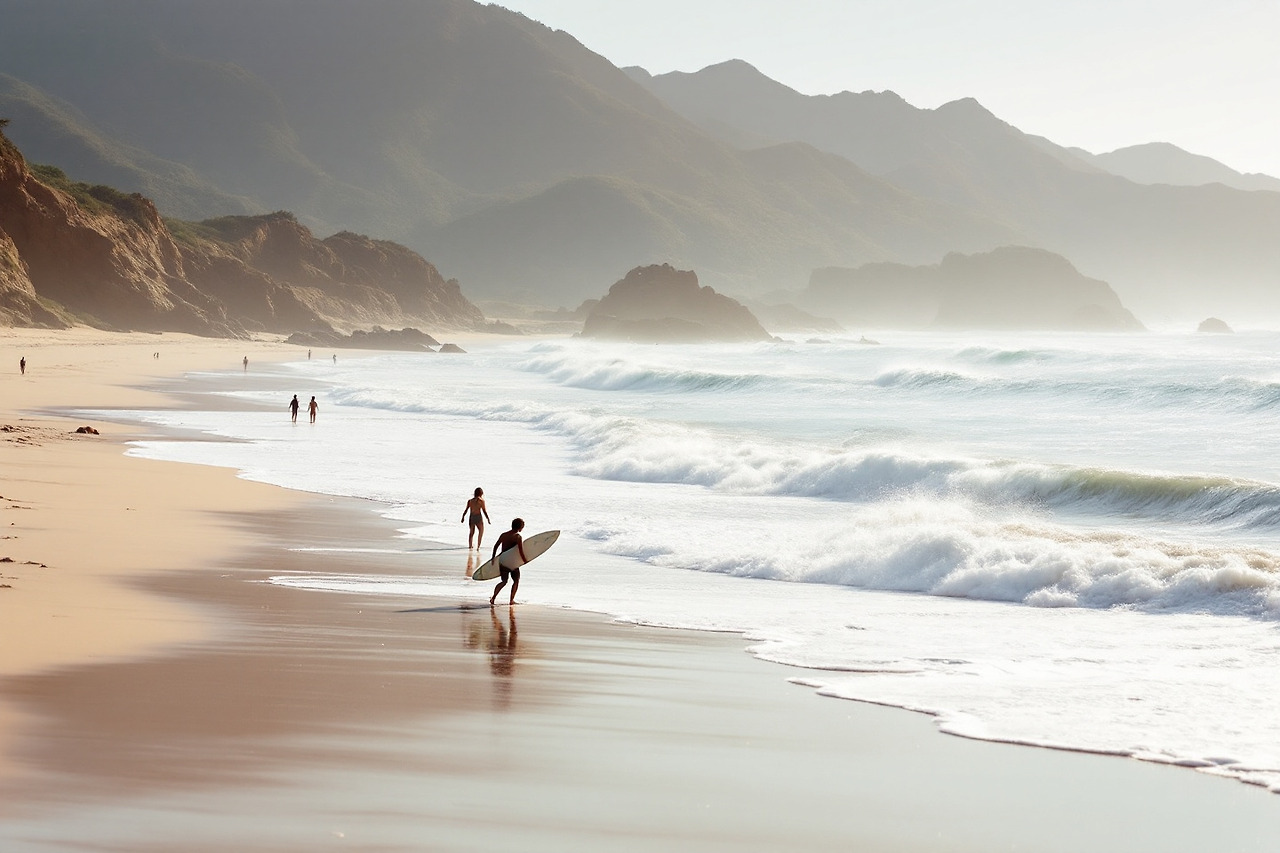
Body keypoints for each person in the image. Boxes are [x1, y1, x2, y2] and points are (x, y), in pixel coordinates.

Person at [489, 518, 527, 606]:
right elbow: (521, 551)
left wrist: (493, 558)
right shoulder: (517, 537)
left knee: (504, 581)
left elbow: (495, 546)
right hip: (512, 562)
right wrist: (524, 560)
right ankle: (511, 600)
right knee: (516, 581)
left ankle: (493, 598)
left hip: (503, 560)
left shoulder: (503, 535)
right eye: (522, 527)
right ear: (520, 527)